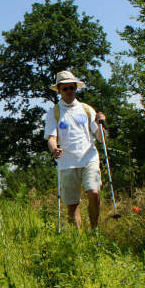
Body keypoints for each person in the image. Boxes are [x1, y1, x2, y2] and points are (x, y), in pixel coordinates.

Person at [45, 70, 107, 230]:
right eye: (65, 88)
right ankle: (79, 241)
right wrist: (54, 149)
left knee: (94, 192)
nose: (69, 91)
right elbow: (51, 137)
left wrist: (101, 124)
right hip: (67, 163)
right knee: (72, 206)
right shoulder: (54, 112)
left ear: (76, 88)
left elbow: (100, 137)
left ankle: (95, 232)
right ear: (59, 90)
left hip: (89, 158)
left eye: (72, 87)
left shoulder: (87, 110)